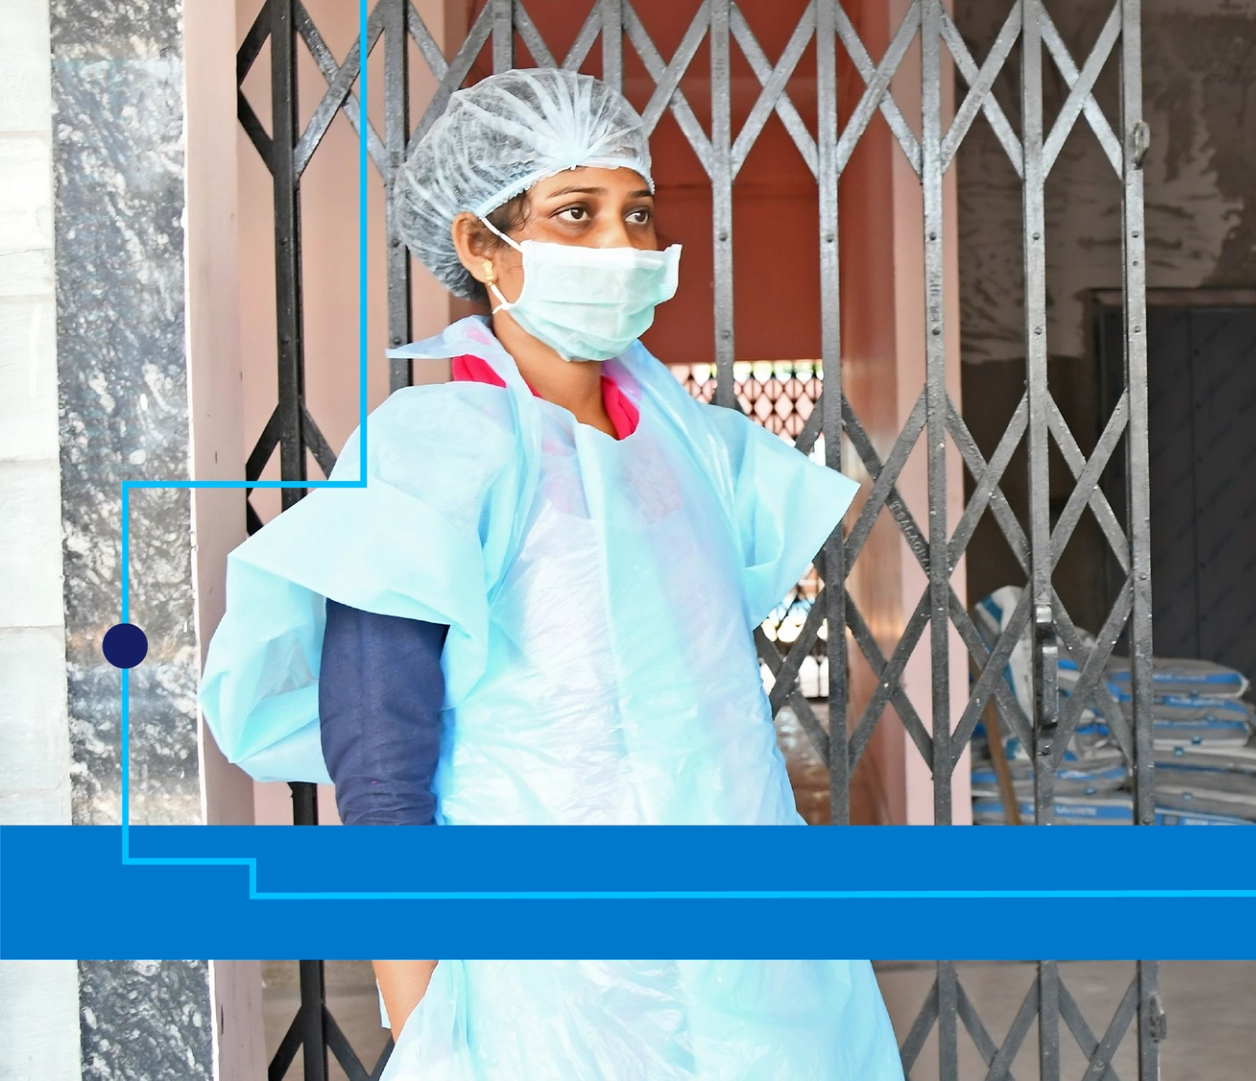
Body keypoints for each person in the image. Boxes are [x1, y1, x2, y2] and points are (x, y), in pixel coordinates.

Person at [200, 68, 902, 1079]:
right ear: (483, 247)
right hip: (555, 998)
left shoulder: (695, 449)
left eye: (638, 214)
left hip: (767, 981)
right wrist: (422, 1009)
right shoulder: (429, 453)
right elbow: (380, 761)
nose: (621, 248)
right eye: (576, 215)